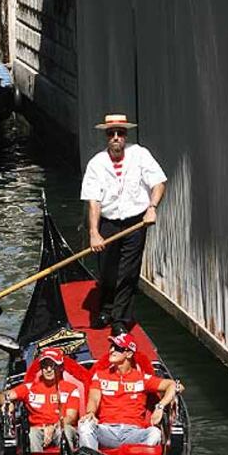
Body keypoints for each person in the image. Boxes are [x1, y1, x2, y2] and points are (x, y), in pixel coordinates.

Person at [81, 113, 167, 335]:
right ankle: (106, 309)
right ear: (107, 137)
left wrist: (152, 208)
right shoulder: (96, 164)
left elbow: (158, 182)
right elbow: (94, 201)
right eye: (112, 133)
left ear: (125, 135)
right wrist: (93, 232)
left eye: (120, 133)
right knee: (107, 270)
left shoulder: (140, 155)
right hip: (108, 223)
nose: (116, 137)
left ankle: (120, 319)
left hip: (135, 222)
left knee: (128, 271)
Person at [78, 333, 184, 450]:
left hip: (134, 433)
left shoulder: (142, 379)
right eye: (111, 346)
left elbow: (172, 384)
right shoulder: (100, 375)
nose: (112, 350)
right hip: (107, 430)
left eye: (118, 348)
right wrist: (91, 412)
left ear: (128, 354)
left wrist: (160, 407)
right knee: (85, 425)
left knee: (154, 433)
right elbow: (94, 398)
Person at [0, 347, 80, 452]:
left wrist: (53, 427)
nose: (48, 369)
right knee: (33, 434)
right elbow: (0, 396)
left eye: (52, 365)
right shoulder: (29, 388)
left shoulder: (71, 389)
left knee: (65, 431)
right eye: (45, 365)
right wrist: (7, 403)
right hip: (37, 430)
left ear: (60, 367)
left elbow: (71, 417)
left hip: (60, 427)